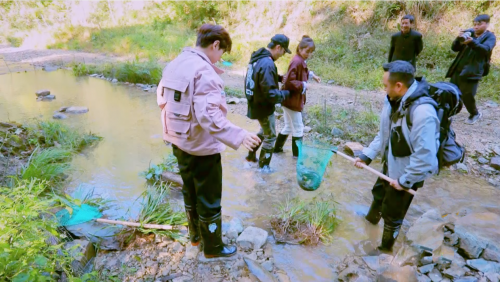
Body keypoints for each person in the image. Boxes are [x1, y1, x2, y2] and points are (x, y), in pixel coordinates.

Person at [157, 24, 261, 258]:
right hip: (201, 148)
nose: (219, 58)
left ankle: (195, 238)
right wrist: (241, 135)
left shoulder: (175, 63)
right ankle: (213, 247)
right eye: (221, 53)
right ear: (215, 45)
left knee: (190, 190)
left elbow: (161, 101)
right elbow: (208, 116)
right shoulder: (204, 71)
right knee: (210, 197)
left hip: (178, 141)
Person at [354, 60, 439, 254]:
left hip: (406, 172)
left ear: (399, 86)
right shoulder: (391, 100)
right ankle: (370, 224)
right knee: (378, 196)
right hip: (390, 164)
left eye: (385, 85)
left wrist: (405, 181)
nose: (384, 89)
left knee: (393, 214)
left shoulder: (423, 113)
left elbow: (426, 158)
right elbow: (383, 134)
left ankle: (384, 250)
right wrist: (367, 155)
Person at [244, 34, 291, 168]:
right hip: (263, 106)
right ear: (278, 47)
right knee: (270, 137)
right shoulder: (267, 63)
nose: (282, 55)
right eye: (283, 51)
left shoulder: (259, 58)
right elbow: (270, 94)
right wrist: (286, 94)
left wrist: (278, 78)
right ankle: (263, 169)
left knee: (264, 131)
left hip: (254, 102)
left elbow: (259, 76)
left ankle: (251, 156)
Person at [274, 35, 321, 158]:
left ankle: (277, 150)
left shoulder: (299, 60)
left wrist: (313, 75)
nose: (308, 55)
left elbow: (303, 71)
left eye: (311, 53)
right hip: (292, 101)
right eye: (307, 51)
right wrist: (303, 85)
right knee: (299, 127)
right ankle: (297, 158)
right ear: (300, 49)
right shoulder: (297, 61)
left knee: (288, 126)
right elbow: (290, 81)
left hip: (288, 100)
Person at [446, 14, 496, 125]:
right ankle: (448, 113)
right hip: (459, 67)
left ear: (487, 24)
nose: (476, 27)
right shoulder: (470, 33)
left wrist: (472, 42)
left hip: (474, 70)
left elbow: (485, 49)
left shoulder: (490, 37)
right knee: (451, 91)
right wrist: (458, 39)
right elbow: (455, 48)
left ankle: (474, 113)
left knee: (467, 95)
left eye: (479, 24)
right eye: (475, 24)